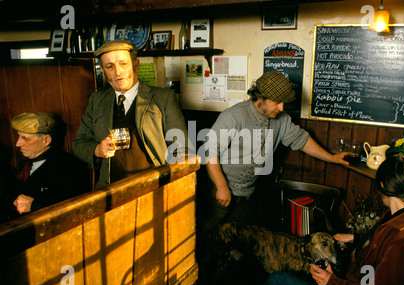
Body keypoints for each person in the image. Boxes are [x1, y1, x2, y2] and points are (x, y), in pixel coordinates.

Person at [257, 154, 404, 285]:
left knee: (277, 281)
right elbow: (380, 261)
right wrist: (356, 239)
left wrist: (332, 284)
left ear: (382, 185)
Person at [198, 71, 349, 236]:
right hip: (217, 191)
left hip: (246, 194)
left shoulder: (282, 119)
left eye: (283, 103)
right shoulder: (234, 116)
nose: (282, 108)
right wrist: (221, 186)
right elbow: (209, 151)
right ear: (260, 97)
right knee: (206, 238)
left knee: (246, 241)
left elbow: (302, 140)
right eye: (277, 103)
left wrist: (333, 158)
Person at [73, 40, 190, 189]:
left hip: (153, 190)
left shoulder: (163, 98)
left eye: (123, 64)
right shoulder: (97, 100)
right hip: (110, 191)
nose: (118, 72)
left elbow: (182, 149)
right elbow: (78, 143)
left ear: (136, 65)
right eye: (110, 66)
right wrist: (97, 150)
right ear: (102, 70)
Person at [6, 112, 90, 218]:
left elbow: (75, 209)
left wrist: (34, 205)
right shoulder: (23, 165)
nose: (18, 143)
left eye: (25, 138)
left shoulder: (70, 167)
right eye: (19, 136)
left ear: (46, 140)